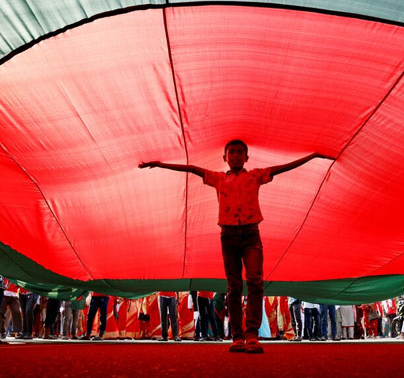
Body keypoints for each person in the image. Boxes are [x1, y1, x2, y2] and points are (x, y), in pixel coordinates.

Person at [139, 140, 332, 353]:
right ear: (225, 157)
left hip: (251, 235)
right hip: (228, 236)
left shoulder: (255, 176)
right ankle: (237, 337)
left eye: (240, 153)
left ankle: (252, 335)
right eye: (232, 152)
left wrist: (312, 156)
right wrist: (161, 164)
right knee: (233, 287)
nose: (236, 156)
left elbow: (283, 168)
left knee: (256, 283)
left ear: (247, 157)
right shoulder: (219, 178)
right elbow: (191, 169)